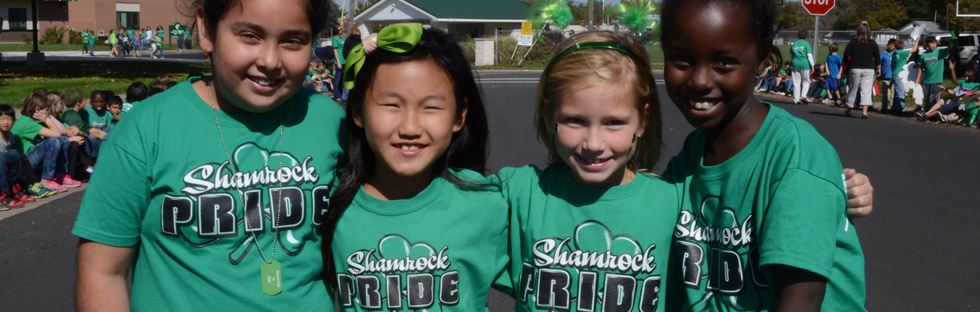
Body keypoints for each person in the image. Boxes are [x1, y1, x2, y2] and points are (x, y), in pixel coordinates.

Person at [72, 0, 340, 310]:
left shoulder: (330, 122)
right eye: (250, 35)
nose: (269, 60)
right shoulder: (147, 128)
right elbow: (103, 271)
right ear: (206, 30)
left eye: (292, 40)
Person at [660, 0, 866, 310]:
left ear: (761, 61)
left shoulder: (794, 155)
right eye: (681, 59)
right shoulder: (693, 151)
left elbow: (802, 301)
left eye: (724, 62)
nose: (699, 80)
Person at [320, 23, 508, 311]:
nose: (410, 128)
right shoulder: (327, 203)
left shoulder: (490, 204)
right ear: (357, 112)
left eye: (431, 107)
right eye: (391, 105)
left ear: (459, 117)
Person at [499, 30, 679, 311]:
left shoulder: (674, 204)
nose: (593, 144)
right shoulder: (518, 194)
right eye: (575, 120)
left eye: (614, 123)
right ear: (550, 117)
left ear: (643, 120)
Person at [11, 92, 80, 193]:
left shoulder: (34, 120)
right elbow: (56, 134)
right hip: (25, 163)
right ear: (37, 110)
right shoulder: (27, 122)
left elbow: (62, 131)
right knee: (52, 142)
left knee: (63, 140)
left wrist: (48, 117)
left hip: (32, 158)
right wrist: (47, 119)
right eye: (47, 110)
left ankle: (60, 175)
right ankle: (47, 180)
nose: (49, 113)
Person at [842, 21, 879, 119]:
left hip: (855, 67)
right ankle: (864, 112)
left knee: (853, 88)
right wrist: (877, 67)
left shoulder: (853, 42)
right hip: (868, 68)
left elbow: (846, 55)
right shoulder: (873, 43)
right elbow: (877, 57)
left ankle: (849, 108)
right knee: (866, 90)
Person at [913, 35, 955, 112]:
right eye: (931, 43)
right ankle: (926, 111)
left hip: (936, 80)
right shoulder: (923, 55)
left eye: (934, 43)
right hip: (926, 80)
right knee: (926, 98)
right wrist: (918, 78)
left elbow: (949, 48)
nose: (933, 45)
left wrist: (953, 39)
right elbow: (920, 68)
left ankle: (933, 112)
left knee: (934, 98)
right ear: (927, 44)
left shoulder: (940, 52)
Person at [0, 104, 26, 210]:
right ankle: (3, 195)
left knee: (14, 153)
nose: (6, 122)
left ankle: (15, 187)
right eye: (2, 119)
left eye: (9, 119)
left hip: (3, 166)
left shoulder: (10, 136)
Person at [791, 29, 814, 105]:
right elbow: (809, 55)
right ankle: (803, 96)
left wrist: (794, 61)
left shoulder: (794, 44)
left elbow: (791, 55)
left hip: (795, 64)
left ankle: (796, 99)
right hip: (805, 64)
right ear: (806, 36)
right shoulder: (806, 44)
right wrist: (812, 65)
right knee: (806, 81)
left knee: (796, 82)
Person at [891, 39, 910, 114]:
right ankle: (900, 108)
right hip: (900, 74)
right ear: (903, 46)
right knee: (901, 92)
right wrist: (918, 40)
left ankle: (895, 108)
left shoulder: (894, 53)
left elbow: (892, 65)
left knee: (897, 91)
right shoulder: (902, 53)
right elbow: (914, 50)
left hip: (895, 73)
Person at [878, 38, 895, 113]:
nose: (890, 47)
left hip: (894, 76)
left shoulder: (897, 53)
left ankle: (891, 106)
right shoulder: (883, 54)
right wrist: (879, 72)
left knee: (892, 93)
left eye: (892, 45)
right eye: (889, 45)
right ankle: (885, 107)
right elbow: (879, 64)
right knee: (886, 93)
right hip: (886, 75)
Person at [331, 26, 348, 102]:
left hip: (344, 60)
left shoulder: (341, 38)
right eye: (340, 29)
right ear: (336, 31)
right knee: (337, 79)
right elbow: (335, 51)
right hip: (339, 61)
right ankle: (336, 95)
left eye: (342, 29)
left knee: (341, 79)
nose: (341, 30)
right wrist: (338, 62)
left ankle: (340, 94)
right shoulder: (335, 38)